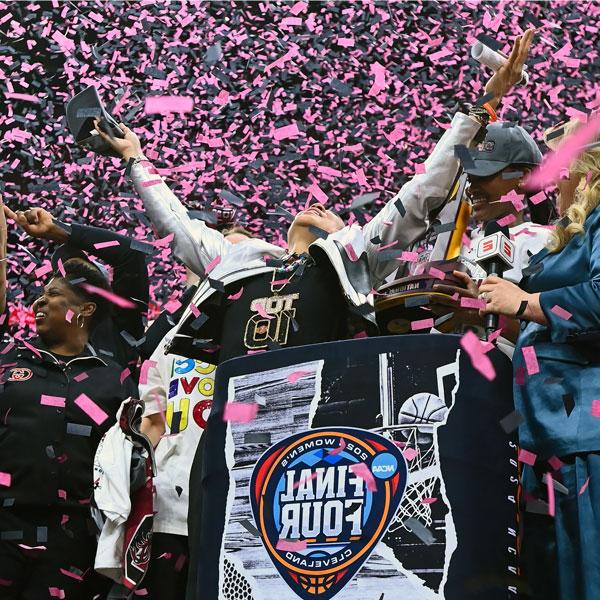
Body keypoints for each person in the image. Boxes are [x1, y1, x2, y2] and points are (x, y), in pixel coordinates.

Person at [478, 119, 600, 600]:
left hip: (584, 436)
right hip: (543, 439)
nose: (556, 181)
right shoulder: (566, 239)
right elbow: (545, 329)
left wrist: (525, 302)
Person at [0, 260, 138, 599]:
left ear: (86, 308)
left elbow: (127, 461)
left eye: (53, 294)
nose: (38, 302)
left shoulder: (114, 379)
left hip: (72, 539)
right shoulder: (8, 358)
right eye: (41, 294)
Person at [3, 205, 149, 374]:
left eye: (81, 276)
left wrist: (57, 229)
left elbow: (132, 253)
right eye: (50, 291)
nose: (42, 300)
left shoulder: (121, 330)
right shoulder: (26, 356)